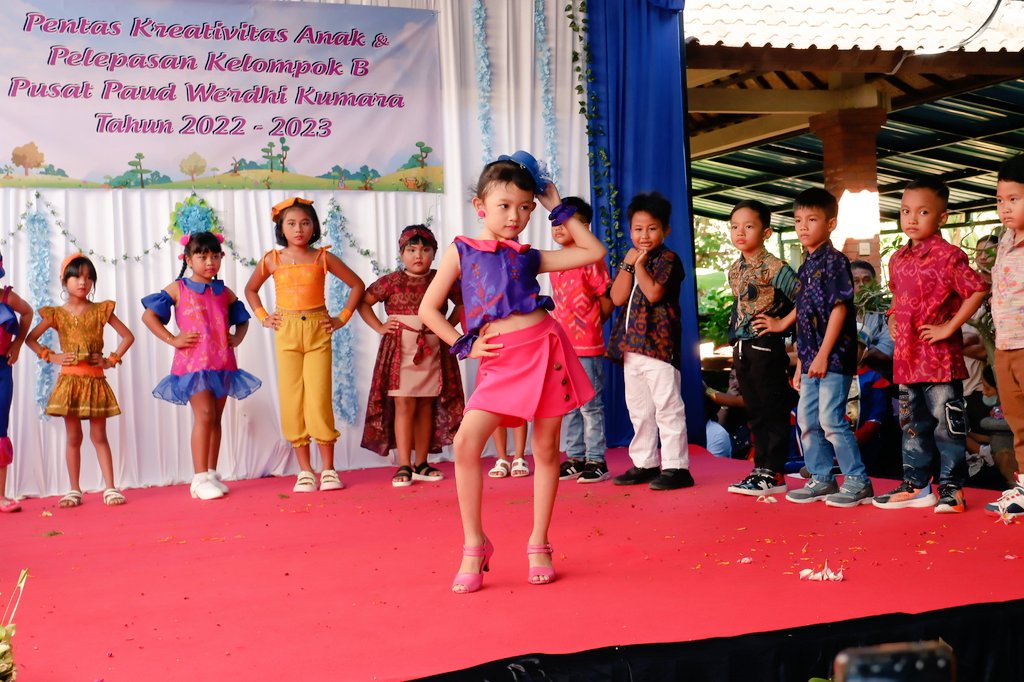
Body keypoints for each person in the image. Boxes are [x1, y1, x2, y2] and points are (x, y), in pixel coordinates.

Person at [418, 150, 606, 593]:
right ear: (479, 206)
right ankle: (473, 544)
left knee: (545, 451)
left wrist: (555, 204)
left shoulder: (531, 255)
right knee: (466, 443)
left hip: (544, 350)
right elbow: (430, 309)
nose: (515, 216)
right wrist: (465, 343)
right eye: (504, 206)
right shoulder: (461, 250)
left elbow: (592, 250)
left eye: (524, 207)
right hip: (500, 361)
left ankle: (539, 543)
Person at [872, 178, 988, 513]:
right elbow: (898, 298)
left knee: (947, 425)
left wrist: (949, 327)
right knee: (910, 423)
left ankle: (952, 489)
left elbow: (978, 288)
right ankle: (918, 485)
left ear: (942, 217)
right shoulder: (898, 259)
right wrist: (893, 319)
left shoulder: (949, 255)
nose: (911, 218)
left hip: (938, 359)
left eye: (922, 212)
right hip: (907, 361)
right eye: (906, 211)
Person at [244, 198, 366, 493]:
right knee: (292, 399)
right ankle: (305, 471)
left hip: (317, 330)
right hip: (285, 330)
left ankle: (328, 469)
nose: (298, 229)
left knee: (319, 399)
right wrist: (263, 316)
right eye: (291, 223)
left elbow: (357, 285)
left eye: (305, 222)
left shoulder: (322, 258)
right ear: (281, 228)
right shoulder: (271, 259)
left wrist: (342, 318)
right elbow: (250, 289)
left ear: (314, 227)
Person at [762, 189, 873, 507]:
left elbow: (838, 309)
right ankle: (822, 478)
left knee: (831, 419)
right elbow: (805, 307)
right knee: (807, 420)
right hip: (811, 360)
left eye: (812, 220)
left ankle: (857, 480)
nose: (803, 226)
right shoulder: (807, 265)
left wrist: (823, 354)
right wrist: (796, 354)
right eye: (798, 220)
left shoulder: (835, 261)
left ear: (831, 223)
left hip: (834, 358)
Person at [142, 231, 262, 500]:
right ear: (188, 258)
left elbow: (243, 319)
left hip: (221, 362)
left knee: (216, 419)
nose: (210, 262)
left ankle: (210, 473)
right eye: (202, 256)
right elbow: (149, 316)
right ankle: (197, 479)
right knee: (204, 415)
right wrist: (172, 339)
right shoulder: (179, 288)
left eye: (215, 256)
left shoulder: (223, 292)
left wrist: (237, 338)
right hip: (193, 364)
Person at [358, 225, 464, 487]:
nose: (419, 255)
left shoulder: (441, 278)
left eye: (425, 250)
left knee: (426, 405)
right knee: (404, 404)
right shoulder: (392, 281)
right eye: (412, 250)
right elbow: (363, 301)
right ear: (402, 253)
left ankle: (422, 463)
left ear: (434, 253)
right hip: (400, 349)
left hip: (433, 349)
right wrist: (380, 326)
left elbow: (463, 302)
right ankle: (404, 463)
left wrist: (446, 329)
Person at [26, 254, 135, 507]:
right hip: (70, 383)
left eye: (88, 277)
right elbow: (31, 339)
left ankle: (110, 487)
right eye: (76, 276)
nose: (82, 282)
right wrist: (51, 356)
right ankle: (74, 489)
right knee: (73, 437)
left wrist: (110, 360)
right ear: (64, 280)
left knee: (99, 436)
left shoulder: (100, 310)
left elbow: (127, 336)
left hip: (95, 382)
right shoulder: (56, 314)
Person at [607, 192, 694, 492]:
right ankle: (644, 462)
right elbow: (617, 298)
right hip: (631, 347)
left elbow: (654, 293)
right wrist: (627, 266)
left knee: (667, 407)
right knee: (639, 409)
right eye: (638, 229)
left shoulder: (668, 258)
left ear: (666, 230)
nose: (644, 235)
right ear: (630, 230)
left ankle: (676, 467)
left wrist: (639, 265)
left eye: (652, 228)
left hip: (659, 346)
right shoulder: (630, 259)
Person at [721, 199, 798, 496]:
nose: (740, 232)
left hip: (766, 345)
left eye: (749, 226)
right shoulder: (735, 267)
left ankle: (773, 472)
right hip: (742, 345)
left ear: (766, 232)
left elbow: (806, 297)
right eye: (735, 227)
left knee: (771, 408)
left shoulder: (774, 265)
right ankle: (759, 469)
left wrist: (780, 323)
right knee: (753, 409)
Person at [550, 196, 614, 484]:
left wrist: (589, 326)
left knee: (590, 404)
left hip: (587, 345)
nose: (558, 227)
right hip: (562, 346)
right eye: (555, 222)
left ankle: (596, 459)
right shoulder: (555, 261)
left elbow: (607, 300)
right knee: (569, 403)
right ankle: (574, 457)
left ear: (583, 226)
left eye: (565, 222)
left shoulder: (591, 260)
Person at [986, 154, 1024, 517]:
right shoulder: (1004, 240)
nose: (1005, 208)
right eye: (1000, 200)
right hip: (1006, 346)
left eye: (1014, 199)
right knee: (1017, 420)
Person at [0, 252, 33, 513]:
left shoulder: (6, 297)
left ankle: (0, 496)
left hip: (1, 367)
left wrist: (18, 344)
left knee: (0, 430)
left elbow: (28, 312)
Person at [850, 260, 894, 376]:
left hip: (877, 374)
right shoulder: (839, 312)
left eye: (866, 280)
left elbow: (887, 348)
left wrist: (863, 354)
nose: (862, 285)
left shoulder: (884, 313)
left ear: (874, 283)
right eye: (856, 281)